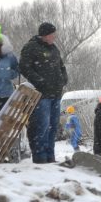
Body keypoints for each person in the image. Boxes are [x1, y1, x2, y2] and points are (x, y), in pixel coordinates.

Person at [19, 22, 68, 163]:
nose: (55, 37)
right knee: (41, 126)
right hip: (41, 95)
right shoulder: (31, 47)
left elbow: (61, 66)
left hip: (56, 94)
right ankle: (40, 157)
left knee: (53, 127)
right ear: (45, 35)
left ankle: (50, 156)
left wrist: (64, 79)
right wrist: (39, 81)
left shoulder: (54, 49)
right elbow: (24, 67)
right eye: (53, 34)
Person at [0, 25, 19, 116]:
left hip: (6, 95)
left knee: (3, 125)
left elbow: (17, 70)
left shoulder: (9, 56)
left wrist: (8, 74)